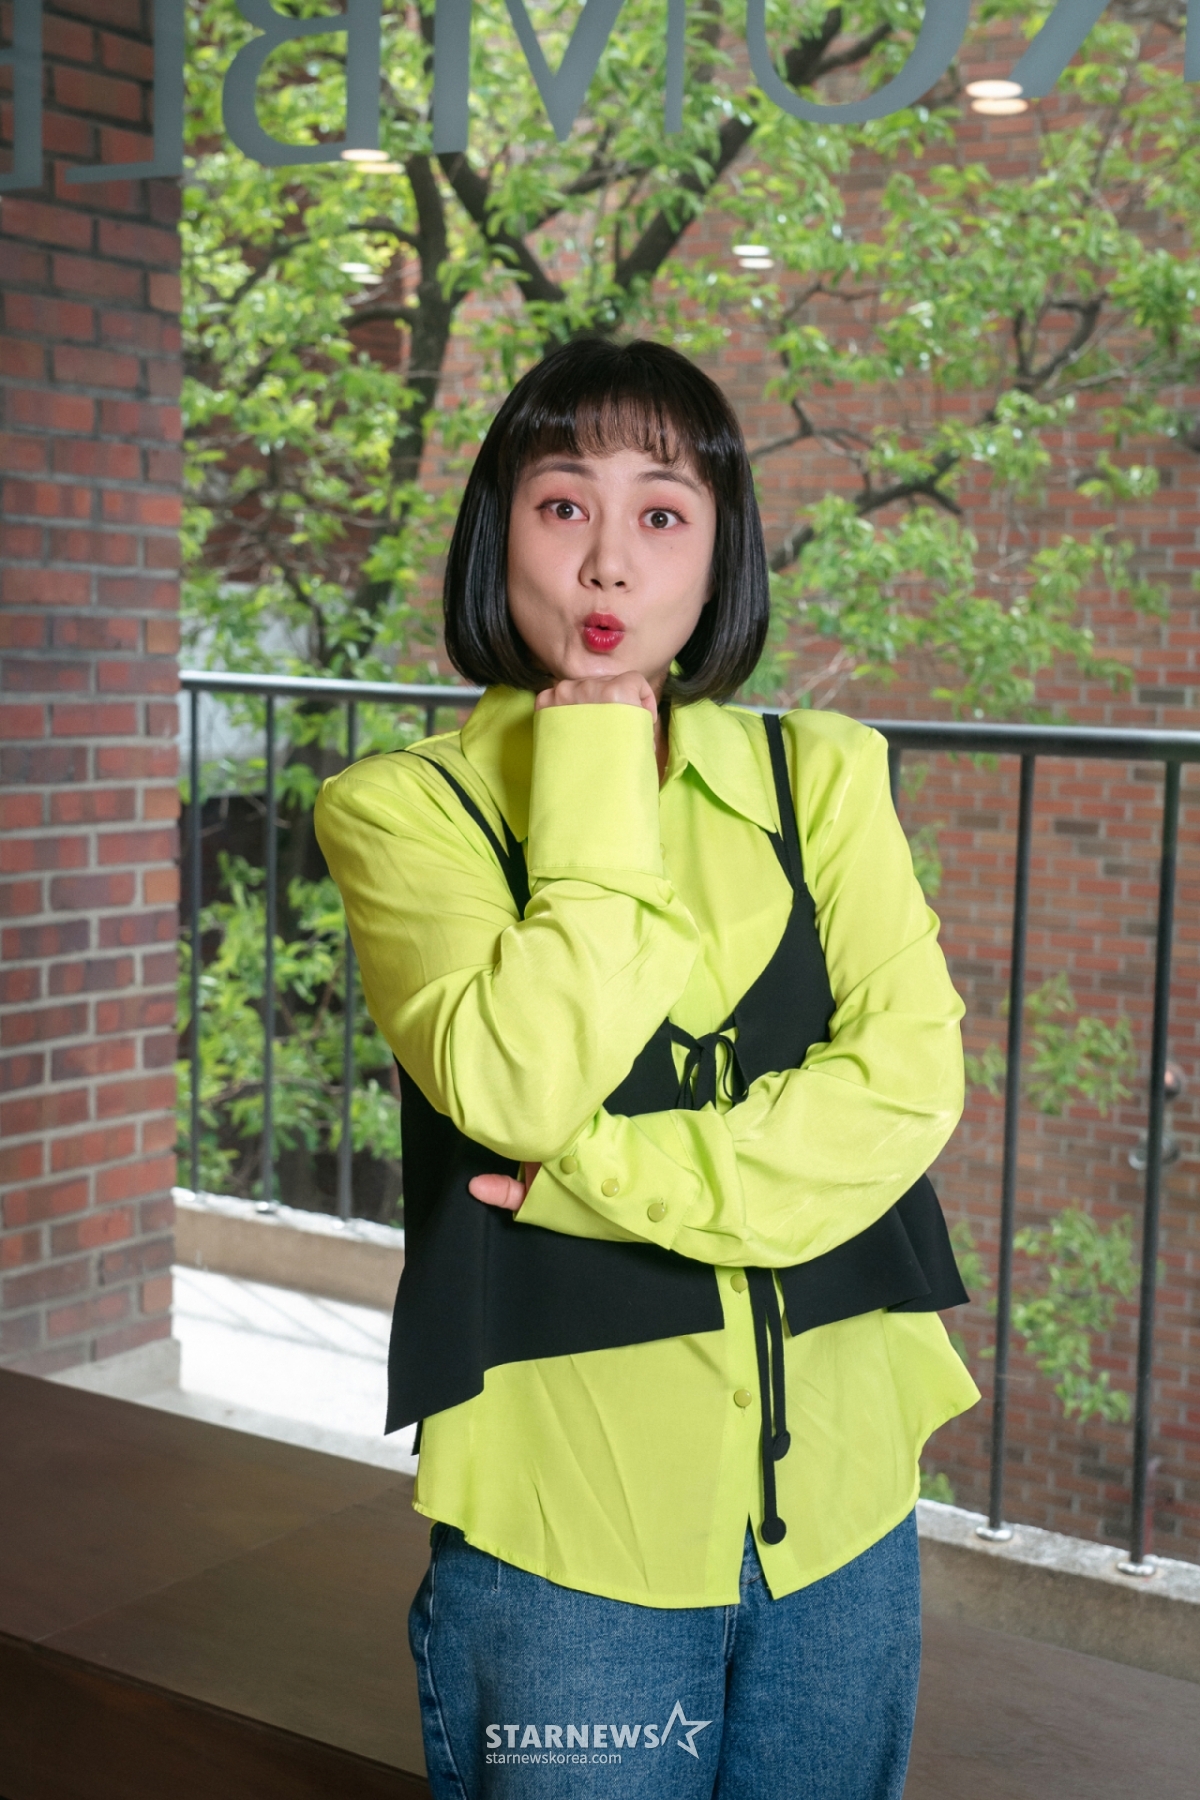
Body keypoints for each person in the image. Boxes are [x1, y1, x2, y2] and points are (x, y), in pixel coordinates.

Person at [315, 338, 980, 1800]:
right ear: (499, 537)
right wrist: (596, 770)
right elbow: (520, 1089)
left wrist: (591, 1176)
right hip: (569, 1540)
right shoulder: (402, 812)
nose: (609, 561)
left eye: (662, 514)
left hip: (844, 1516)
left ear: (720, 555)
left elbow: (909, 1088)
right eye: (564, 506)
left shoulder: (825, 776)